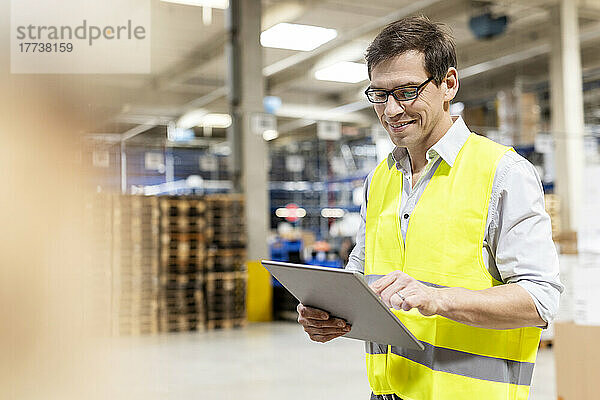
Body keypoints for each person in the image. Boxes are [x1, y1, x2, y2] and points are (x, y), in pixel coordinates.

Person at [297, 16, 562, 400]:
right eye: (379, 94)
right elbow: (364, 274)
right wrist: (331, 313)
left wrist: (439, 299)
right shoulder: (380, 180)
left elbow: (539, 300)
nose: (390, 111)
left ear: (448, 84)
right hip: (386, 393)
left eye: (406, 91)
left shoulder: (502, 173)